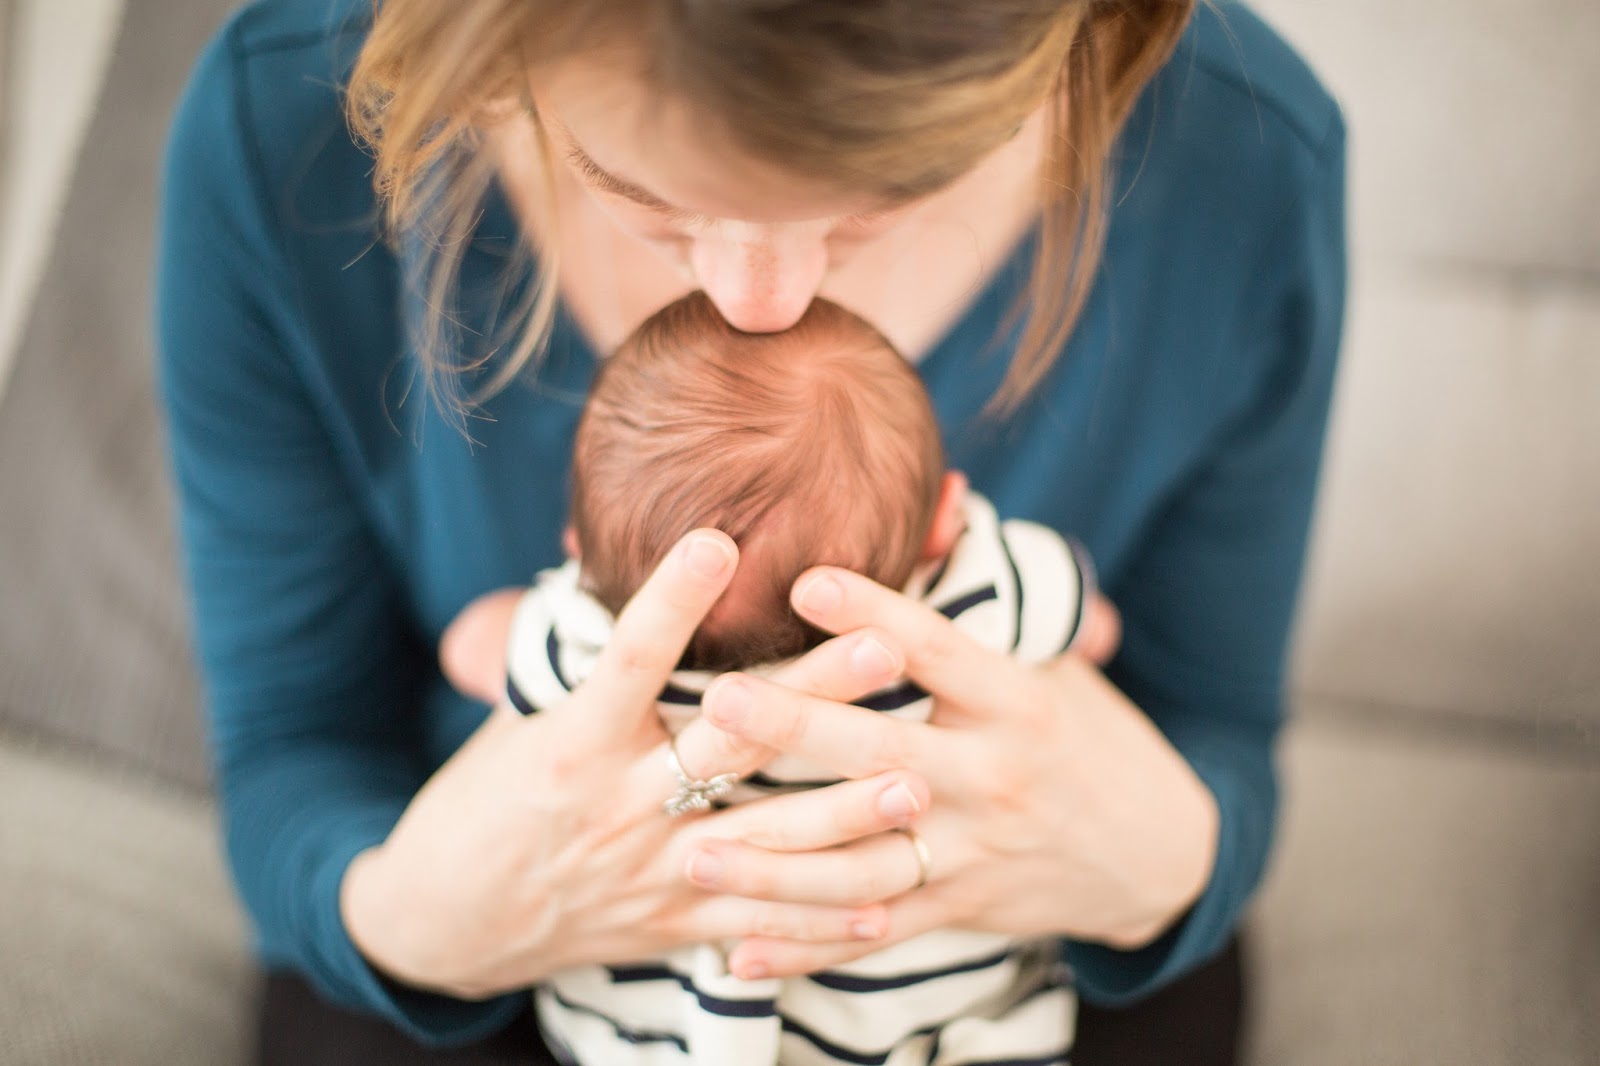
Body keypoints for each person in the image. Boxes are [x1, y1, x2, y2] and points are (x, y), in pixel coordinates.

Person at [155, 1, 1344, 1064]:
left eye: (888, 192)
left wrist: (1173, 862)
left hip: (1016, 915)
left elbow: (1213, 729)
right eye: (646, 200)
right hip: (513, 930)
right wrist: (406, 918)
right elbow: (293, 747)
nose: (758, 300)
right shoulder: (281, 131)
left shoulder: (1244, 158)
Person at [440, 290, 1119, 1064]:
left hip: (665, 1038)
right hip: (939, 1029)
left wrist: (522, 611)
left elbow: (470, 648)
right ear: (944, 518)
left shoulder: (590, 647)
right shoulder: (976, 594)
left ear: (578, 549)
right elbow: (1094, 626)